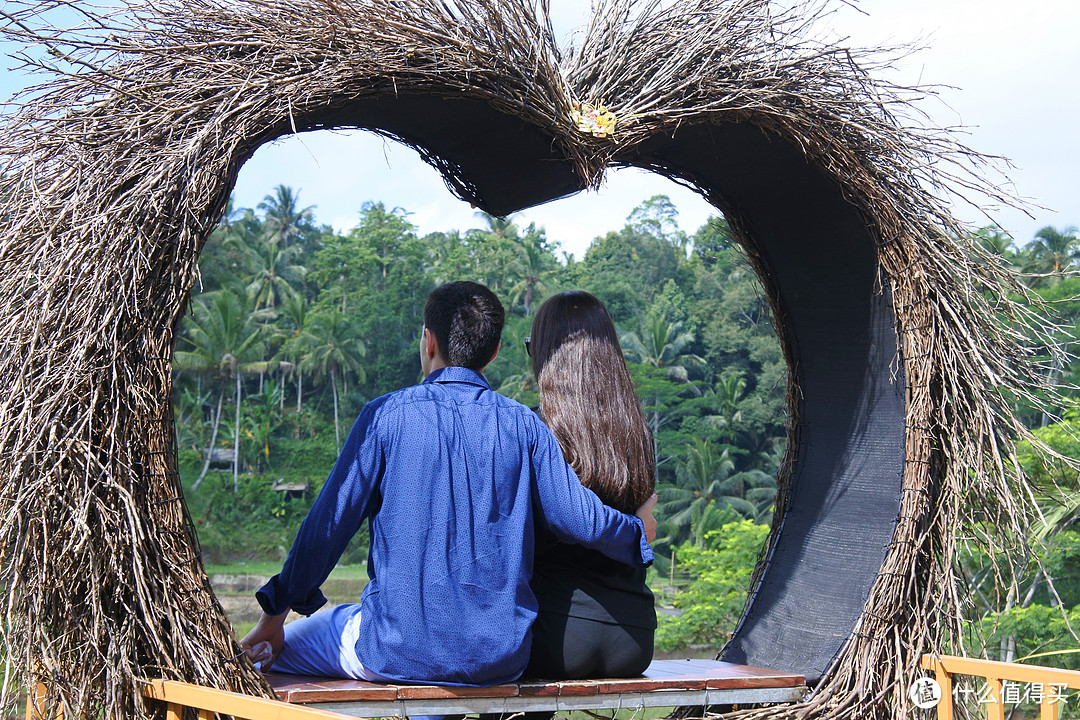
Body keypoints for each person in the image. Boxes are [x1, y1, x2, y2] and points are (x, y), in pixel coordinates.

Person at [241, 281, 656, 687]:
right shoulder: (525, 425)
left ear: (428, 342)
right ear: (493, 353)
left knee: (274, 653)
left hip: (393, 651)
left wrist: (273, 617)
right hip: (498, 660)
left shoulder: (385, 415)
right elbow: (578, 518)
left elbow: (326, 528)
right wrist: (638, 533)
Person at [525, 290, 657, 679]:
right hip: (634, 638)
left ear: (546, 356)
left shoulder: (534, 431)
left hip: (553, 631)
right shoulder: (639, 434)